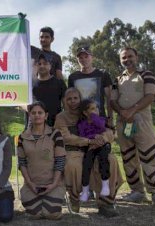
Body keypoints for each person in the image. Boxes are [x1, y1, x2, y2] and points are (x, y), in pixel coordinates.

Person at [54, 88, 123, 217]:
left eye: (75, 98)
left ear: (80, 99)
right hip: (73, 151)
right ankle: (75, 199)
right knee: (73, 165)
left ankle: (105, 202)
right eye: (69, 99)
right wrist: (88, 141)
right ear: (64, 101)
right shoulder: (61, 117)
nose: (73, 101)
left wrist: (102, 138)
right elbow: (65, 137)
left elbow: (108, 131)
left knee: (111, 160)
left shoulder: (91, 111)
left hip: (96, 148)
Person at [111, 47, 155, 206]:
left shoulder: (146, 74)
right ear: (120, 60)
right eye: (124, 57)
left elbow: (151, 95)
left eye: (130, 56)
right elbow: (112, 100)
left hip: (142, 122)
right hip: (123, 122)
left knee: (149, 156)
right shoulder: (117, 79)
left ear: (137, 56)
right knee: (128, 157)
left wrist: (132, 110)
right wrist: (123, 112)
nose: (127, 59)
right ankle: (136, 191)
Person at [18, 101, 66, 220]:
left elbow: (60, 161)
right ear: (29, 115)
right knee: (35, 214)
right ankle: (38, 203)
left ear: (46, 115)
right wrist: (30, 183)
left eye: (40, 112)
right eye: (33, 113)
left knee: (51, 214)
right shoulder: (22, 136)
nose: (37, 115)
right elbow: (22, 163)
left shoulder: (55, 134)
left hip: (53, 184)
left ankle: (50, 201)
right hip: (32, 185)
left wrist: (54, 184)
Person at [68, 46, 114, 126]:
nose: (84, 59)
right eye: (81, 57)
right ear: (77, 60)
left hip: (100, 119)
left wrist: (110, 118)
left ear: (92, 57)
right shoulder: (73, 77)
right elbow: (70, 100)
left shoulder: (103, 74)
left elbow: (109, 98)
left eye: (86, 56)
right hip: (80, 121)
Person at [77, 99, 111, 202]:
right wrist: (94, 137)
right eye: (92, 109)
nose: (96, 110)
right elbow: (83, 136)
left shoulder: (100, 119)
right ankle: (85, 191)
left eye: (96, 108)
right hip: (90, 146)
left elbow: (102, 127)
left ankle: (105, 184)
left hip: (102, 145)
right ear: (85, 112)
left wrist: (94, 116)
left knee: (104, 158)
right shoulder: (82, 124)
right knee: (86, 164)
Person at [31, 53, 67, 126]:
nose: (42, 66)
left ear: (50, 66)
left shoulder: (59, 83)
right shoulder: (31, 84)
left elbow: (66, 106)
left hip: (56, 125)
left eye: (45, 63)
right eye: (39, 64)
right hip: (36, 126)